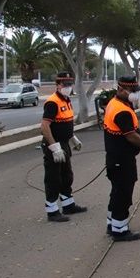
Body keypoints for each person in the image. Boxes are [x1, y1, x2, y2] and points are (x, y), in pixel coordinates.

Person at [103, 75, 140, 241]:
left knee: (116, 192)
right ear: (121, 89)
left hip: (116, 158)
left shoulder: (116, 103)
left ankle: (112, 223)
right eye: (132, 91)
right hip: (122, 160)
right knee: (123, 193)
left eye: (136, 91)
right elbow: (131, 136)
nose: (134, 94)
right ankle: (120, 230)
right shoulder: (121, 110)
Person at [40, 72, 87, 222]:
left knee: (67, 175)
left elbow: (65, 122)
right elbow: (45, 126)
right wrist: (54, 147)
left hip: (65, 143)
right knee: (54, 178)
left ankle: (68, 205)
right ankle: (52, 210)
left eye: (69, 84)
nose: (68, 87)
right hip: (53, 144)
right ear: (58, 85)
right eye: (64, 85)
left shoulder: (66, 100)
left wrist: (73, 138)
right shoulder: (52, 102)